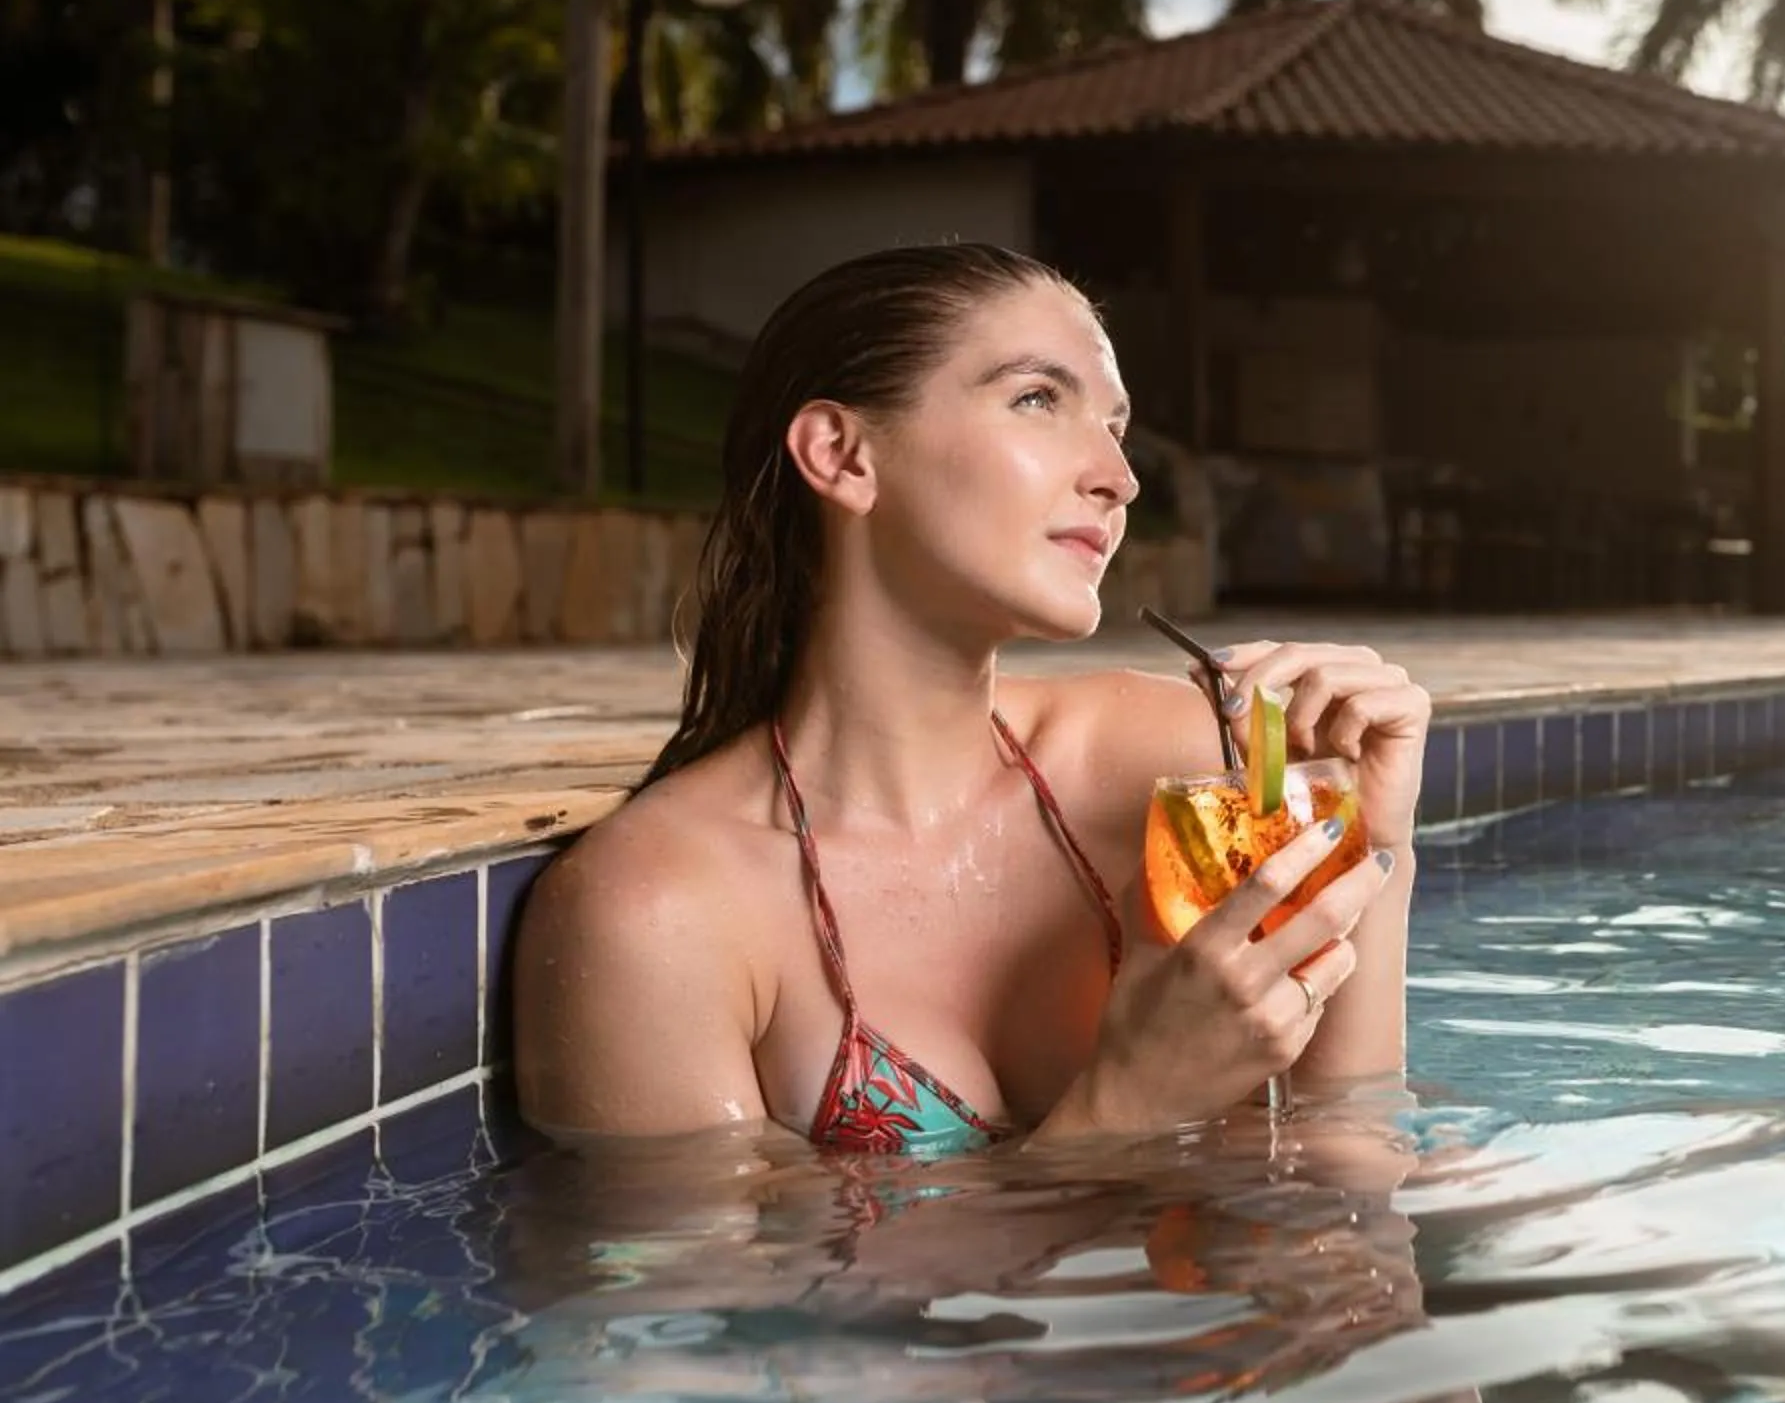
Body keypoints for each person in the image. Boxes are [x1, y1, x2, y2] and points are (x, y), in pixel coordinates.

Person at [513, 240, 1430, 1153]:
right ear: (842, 455)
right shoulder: (656, 914)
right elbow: (721, 1293)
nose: (1119, 477)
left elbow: (1347, 1175)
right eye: (1038, 399)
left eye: (1114, 425)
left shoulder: (1179, 770)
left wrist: (1374, 856)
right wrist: (1126, 1108)